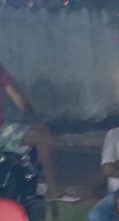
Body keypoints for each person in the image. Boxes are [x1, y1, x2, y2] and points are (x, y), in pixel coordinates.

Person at [0, 59, 78, 201]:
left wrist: (35, 120)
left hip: (2, 130)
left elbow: (17, 97)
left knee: (42, 134)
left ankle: (52, 190)